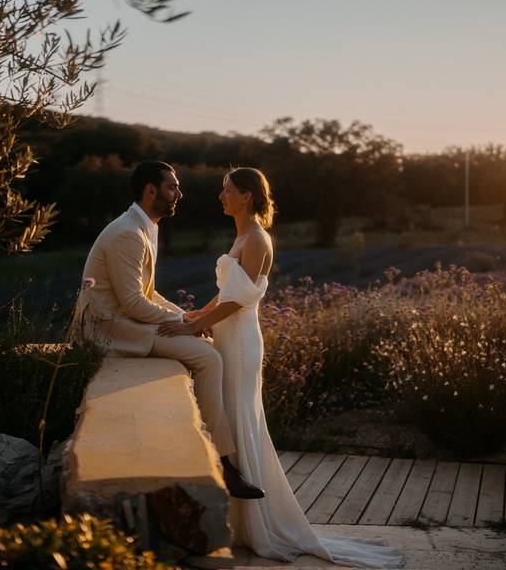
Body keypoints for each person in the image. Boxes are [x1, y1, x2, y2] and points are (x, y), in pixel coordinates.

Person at [157, 168, 403, 568]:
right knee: (234, 420)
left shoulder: (256, 238)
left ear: (248, 195)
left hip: (239, 342)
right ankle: (240, 521)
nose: (221, 196)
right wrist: (192, 315)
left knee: (239, 419)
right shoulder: (240, 236)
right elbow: (226, 294)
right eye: (222, 190)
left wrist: (195, 325)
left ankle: (259, 525)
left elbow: (238, 302)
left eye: (228, 190)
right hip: (227, 335)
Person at [76, 160, 264, 500]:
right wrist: (186, 325)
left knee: (207, 352)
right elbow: (133, 303)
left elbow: (148, 293)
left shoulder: (144, 226)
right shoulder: (128, 234)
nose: (180, 193)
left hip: (128, 320)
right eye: (172, 187)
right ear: (151, 191)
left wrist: (188, 318)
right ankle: (221, 463)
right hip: (113, 328)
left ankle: (220, 459)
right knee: (209, 359)